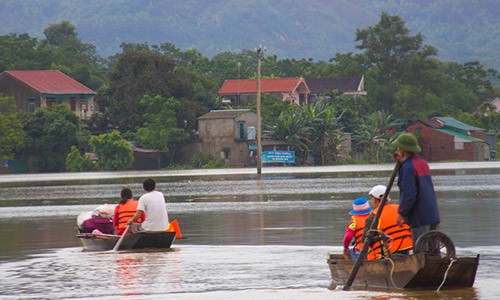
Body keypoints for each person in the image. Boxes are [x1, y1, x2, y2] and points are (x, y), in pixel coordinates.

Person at [392, 132, 440, 246]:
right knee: (433, 253)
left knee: (420, 251)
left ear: (403, 150)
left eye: (398, 148)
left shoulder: (408, 167)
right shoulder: (422, 163)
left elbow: (409, 195)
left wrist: (401, 213)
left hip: (419, 216)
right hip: (432, 213)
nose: (397, 151)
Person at [363, 185, 412, 259]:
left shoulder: (374, 215)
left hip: (384, 255)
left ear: (375, 200)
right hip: (405, 250)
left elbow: (365, 240)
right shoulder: (400, 209)